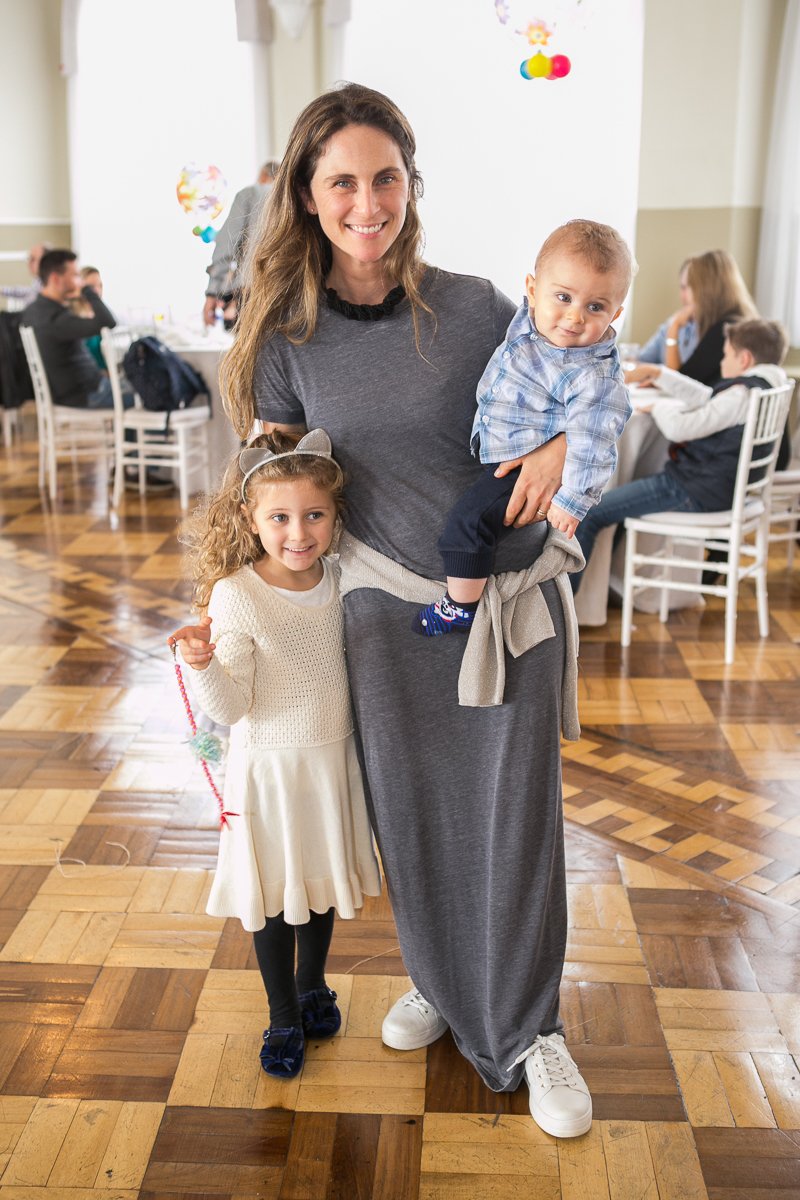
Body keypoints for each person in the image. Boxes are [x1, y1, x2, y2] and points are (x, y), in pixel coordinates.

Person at [172, 83, 591, 1139]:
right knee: (411, 821)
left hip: (501, 609)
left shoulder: (479, 307)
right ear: (308, 199)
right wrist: (231, 613)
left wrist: (556, 447)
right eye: (343, 183)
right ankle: (444, 985)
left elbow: (585, 387)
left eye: (386, 177)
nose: (369, 203)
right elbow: (277, 492)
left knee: (514, 825)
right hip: (380, 618)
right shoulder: (288, 336)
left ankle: (531, 1029)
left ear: (412, 182)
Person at [173, 427, 381, 1079]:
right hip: (269, 772)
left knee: (316, 887)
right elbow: (231, 707)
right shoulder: (237, 593)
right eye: (280, 518)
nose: (299, 532)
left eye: (314, 515)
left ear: (335, 515)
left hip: (330, 763)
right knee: (273, 897)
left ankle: (313, 986)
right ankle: (283, 1012)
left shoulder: (340, 577)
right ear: (250, 519)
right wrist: (200, 663)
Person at [413, 219, 632, 637]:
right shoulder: (528, 324)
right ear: (532, 290)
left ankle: (460, 607)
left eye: (595, 307)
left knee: (467, 524)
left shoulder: (592, 376)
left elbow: (595, 443)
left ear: (615, 314)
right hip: (499, 453)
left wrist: (572, 503)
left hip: (522, 469)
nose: (574, 317)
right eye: (563, 297)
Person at [571, 317, 790, 590]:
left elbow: (678, 428)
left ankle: (565, 605)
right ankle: (606, 588)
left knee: (591, 513)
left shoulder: (741, 395)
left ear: (744, 359)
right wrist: (660, 374)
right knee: (619, 500)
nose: (722, 362)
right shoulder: (765, 386)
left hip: (693, 490)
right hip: (720, 490)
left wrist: (658, 408)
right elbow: (710, 399)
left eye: (726, 355)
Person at [629, 249, 758, 389]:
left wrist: (674, 328)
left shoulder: (724, 330)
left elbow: (680, 382)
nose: (682, 296)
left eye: (686, 288)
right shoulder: (737, 323)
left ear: (706, 289)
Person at [21, 249, 118, 408]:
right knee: (152, 393)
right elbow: (108, 322)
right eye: (75, 276)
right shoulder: (56, 318)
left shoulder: (34, 311)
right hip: (89, 395)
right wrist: (87, 289)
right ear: (55, 279)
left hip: (77, 392)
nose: (79, 281)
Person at [203, 160, 280, 329]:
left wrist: (212, 292)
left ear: (263, 176)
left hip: (250, 294)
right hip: (288, 295)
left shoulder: (251, 193)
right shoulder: (298, 199)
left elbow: (227, 244)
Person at [637, 258, 698, 366]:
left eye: (692, 287)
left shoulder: (709, 332)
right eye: (683, 288)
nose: (685, 296)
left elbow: (677, 373)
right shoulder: (672, 323)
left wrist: (674, 327)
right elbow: (641, 359)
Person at [71, 266, 106, 369]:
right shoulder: (75, 318)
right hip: (93, 373)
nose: (97, 290)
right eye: (91, 286)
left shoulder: (102, 313)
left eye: (100, 285)